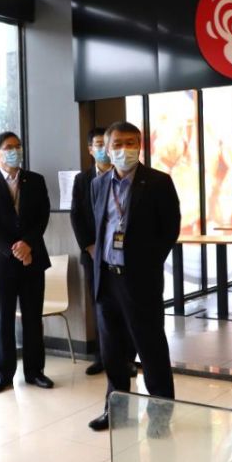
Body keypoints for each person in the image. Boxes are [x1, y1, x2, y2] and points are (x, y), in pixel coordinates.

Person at [85, 121, 180, 433]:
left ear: (140, 146)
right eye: (117, 144)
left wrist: (147, 264)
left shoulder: (158, 182)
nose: (124, 149)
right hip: (106, 279)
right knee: (112, 352)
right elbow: (99, 226)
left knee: (151, 349)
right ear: (107, 148)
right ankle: (116, 412)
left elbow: (169, 229)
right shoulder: (99, 184)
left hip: (140, 280)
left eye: (131, 143)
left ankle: (160, 416)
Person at [0, 131, 54, 392]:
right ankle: (3, 374)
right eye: (9, 147)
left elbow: (42, 216)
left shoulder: (36, 180)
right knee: (2, 321)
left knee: (33, 319)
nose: (15, 151)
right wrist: (15, 250)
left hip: (33, 260)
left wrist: (28, 244)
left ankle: (35, 371)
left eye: (18, 146)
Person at [71, 127, 113, 376]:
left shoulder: (123, 174)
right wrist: (88, 246)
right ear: (90, 149)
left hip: (121, 255)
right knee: (100, 306)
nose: (103, 149)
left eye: (106, 144)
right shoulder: (82, 180)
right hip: (93, 255)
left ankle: (126, 358)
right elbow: (76, 215)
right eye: (98, 144)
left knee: (123, 307)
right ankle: (102, 357)